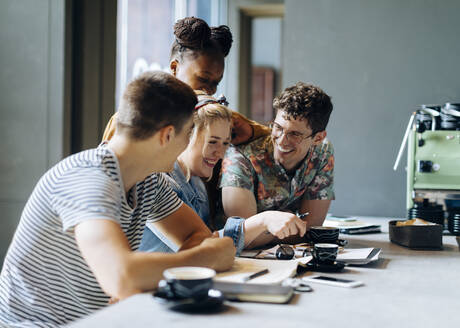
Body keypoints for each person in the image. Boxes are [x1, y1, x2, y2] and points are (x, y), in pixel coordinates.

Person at [0, 72, 236, 328]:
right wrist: (204, 259)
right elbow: (121, 277)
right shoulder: (86, 178)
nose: (187, 144)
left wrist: (189, 260)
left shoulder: (148, 180)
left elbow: (195, 234)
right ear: (167, 136)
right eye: (188, 133)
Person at [138, 94, 308, 255]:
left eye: (225, 143)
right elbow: (201, 250)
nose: (220, 154)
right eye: (212, 142)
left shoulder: (197, 183)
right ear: (184, 135)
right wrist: (262, 221)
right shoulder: (159, 183)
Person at [102, 16, 269, 145]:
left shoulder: (221, 118)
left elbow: (272, 137)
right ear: (174, 68)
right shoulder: (131, 119)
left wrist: (250, 132)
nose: (209, 91)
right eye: (203, 79)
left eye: (215, 83)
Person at [220, 82, 335, 248]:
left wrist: (272, 230)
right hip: (239, 259)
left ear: (318, 138)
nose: (281, 141)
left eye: (294, 134)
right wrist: (292, 225)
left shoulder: (323, 152)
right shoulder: (240, 158)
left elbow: (311, 228)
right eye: (278, 127)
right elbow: (242, 237)